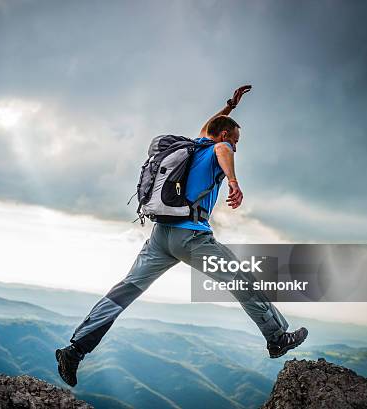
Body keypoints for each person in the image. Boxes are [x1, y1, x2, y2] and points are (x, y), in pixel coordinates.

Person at [55, 85, 308, 387]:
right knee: (243, 282)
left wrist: (230, 105)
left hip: (161, 237)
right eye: (236, 140)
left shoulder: (193, 146)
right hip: (193, 240)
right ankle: (277, 338)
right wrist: (233, 181)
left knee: (124, 291)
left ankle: (74, 350)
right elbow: (223, 147)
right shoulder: (217, 149)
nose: (236, 147)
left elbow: (210, 129)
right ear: (226, 136)